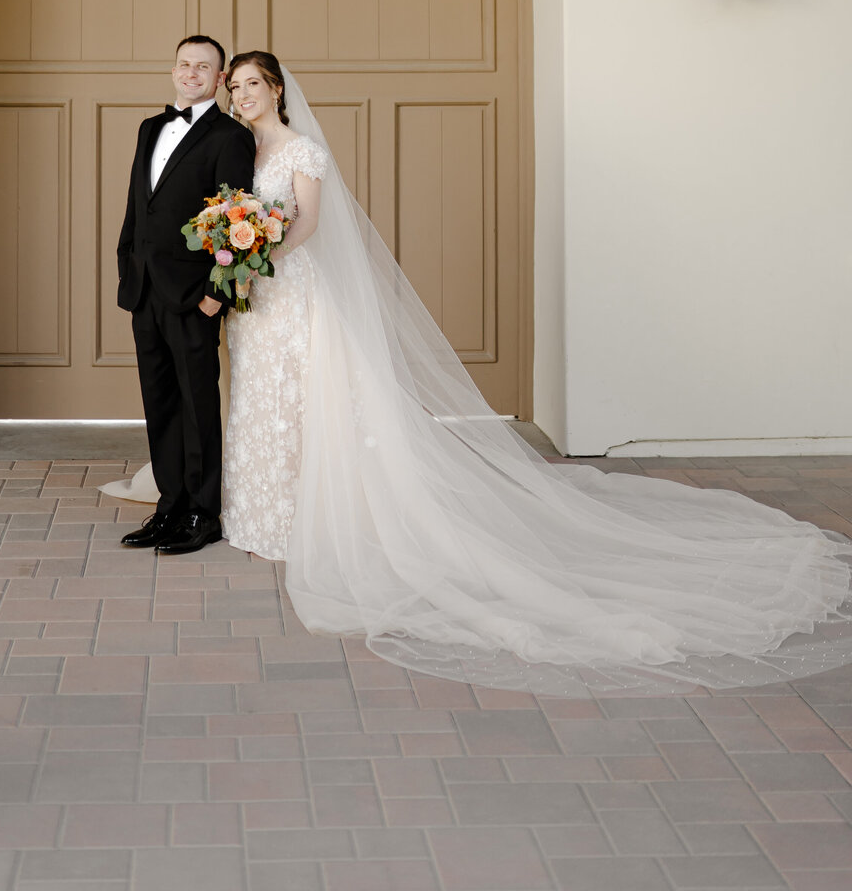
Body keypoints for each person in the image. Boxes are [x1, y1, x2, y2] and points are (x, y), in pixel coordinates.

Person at [218, 50, 852, 697]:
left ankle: (316, 522)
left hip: (292, 293)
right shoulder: (241, 153)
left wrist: (258, 257)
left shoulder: (302, 152)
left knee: (304, 402)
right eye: (235, 86)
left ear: (276, 89)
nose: (243, 95)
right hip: (254, 305)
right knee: (260, 402)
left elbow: (310, 223)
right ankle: (262, 518)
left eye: (253, 84)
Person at [116, 35, 255, 557]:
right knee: (159, 401)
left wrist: (214, 297)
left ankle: (203, 512)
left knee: (198, 405)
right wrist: (127, 261)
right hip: (144, 288)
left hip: (195, 294)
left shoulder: (230, 137)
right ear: (174, 70)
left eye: (204, 67)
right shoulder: (150, 128)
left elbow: (236, 219)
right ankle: (169, 505)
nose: (191, 73)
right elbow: (137, 204)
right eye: (184, 64)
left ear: (220, 80)